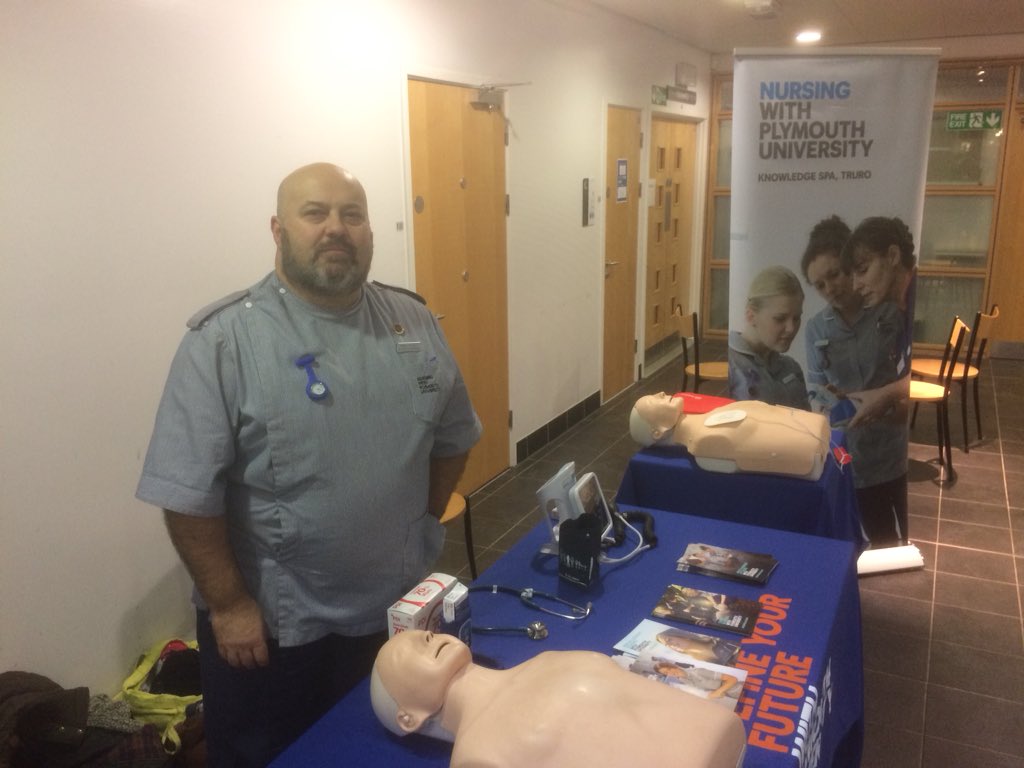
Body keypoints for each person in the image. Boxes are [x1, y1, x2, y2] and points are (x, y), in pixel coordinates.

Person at [136, 162, 482, 767]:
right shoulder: (223, 342)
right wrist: (229, 605)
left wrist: (420, 523)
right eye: (314, 213)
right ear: (278, 229)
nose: (336, 229)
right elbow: (187, 492)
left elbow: (454, 436)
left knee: (385, 751)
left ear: (370, 231)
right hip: (272, 631)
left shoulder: (413, 322)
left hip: (394, 611)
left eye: (352, 215)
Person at [369, 630, 747, 768]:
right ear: (408, 717)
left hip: (718, 733)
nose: (427, 637)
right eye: (407, 651)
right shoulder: (477, 757)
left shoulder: (548, 659)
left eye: (426, 634)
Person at [802, 215, 912, 547]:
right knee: (880, 539)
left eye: (835, 274)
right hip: (855, 456)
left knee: (910, 535)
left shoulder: (890, 309)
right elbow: (815, 390)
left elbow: (909, 374)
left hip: (896, 446)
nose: (830, 288)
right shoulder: (816, 329)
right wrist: (824, 406)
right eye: (819, 285)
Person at [629, 391, 830, 480]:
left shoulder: (706, 422)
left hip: (812, 432)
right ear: (657, 432)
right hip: (809, 446)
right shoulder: (704, 441)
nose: (661, 393)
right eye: (654, 400)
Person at [729, 265, 810, 409]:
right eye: (780, 319)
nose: (791, 328)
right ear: (751, 316)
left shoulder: (791, 368)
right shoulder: (729, 366)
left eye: (796, 318)